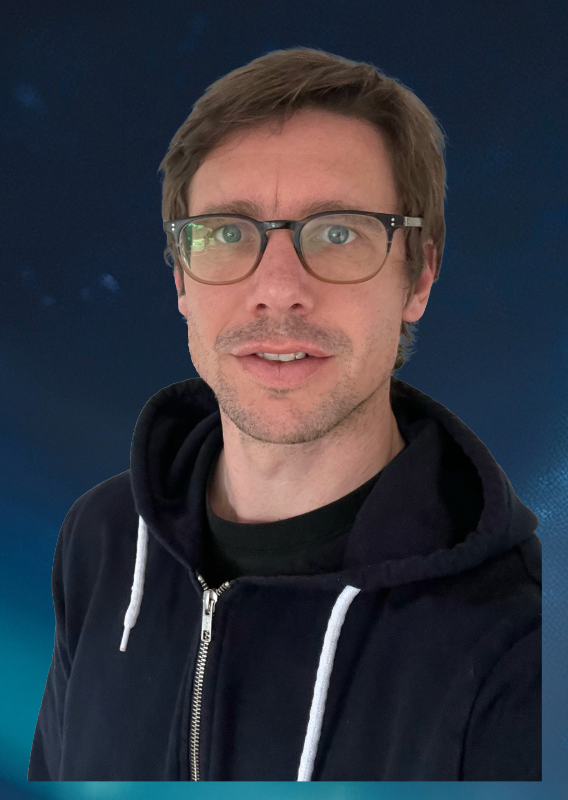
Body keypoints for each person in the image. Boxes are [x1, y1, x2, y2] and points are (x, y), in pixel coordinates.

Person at [28, 47, 541, 782]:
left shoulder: (521, 641)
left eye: (337, 232)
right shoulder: (102, 542)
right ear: (181, 277)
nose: (277, 289)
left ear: (419, 276)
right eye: (227, 233)